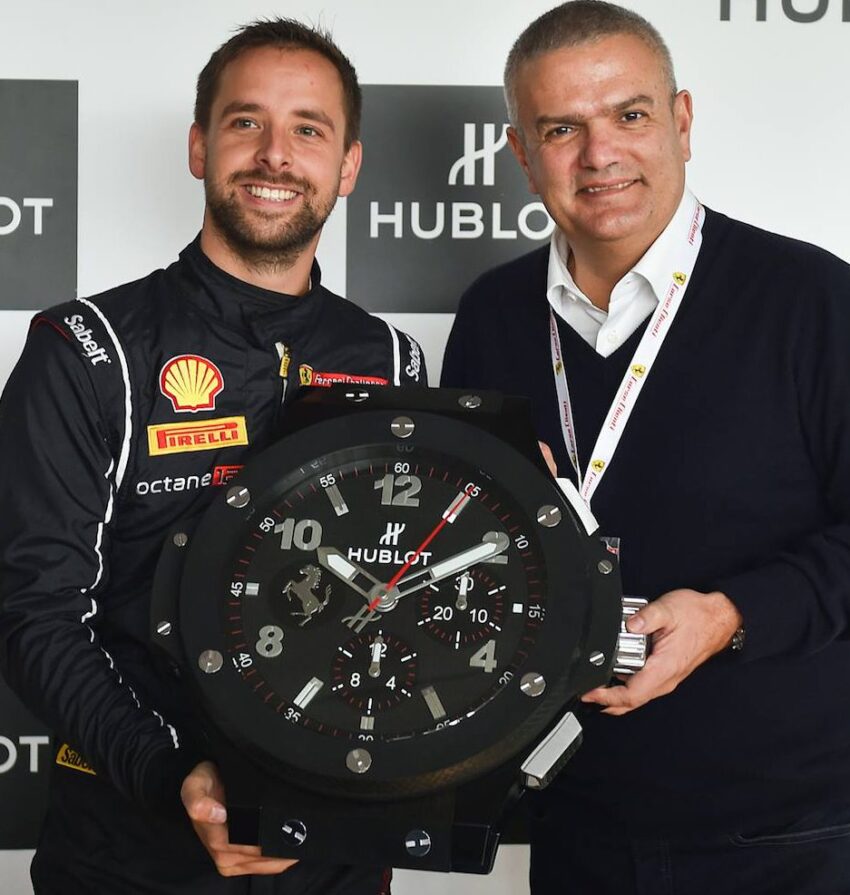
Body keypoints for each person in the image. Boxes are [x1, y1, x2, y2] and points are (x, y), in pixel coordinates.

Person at [0, 18, 424, 895]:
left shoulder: (393, 360)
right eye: (246, 122)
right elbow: (34, 611)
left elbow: (406, 593)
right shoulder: (89, 349)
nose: (276, 154)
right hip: (131, 850)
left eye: (309, 129)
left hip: (337, 858)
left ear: (348, 166)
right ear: (199, 147)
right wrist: (169, 774)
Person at [441, 2, 850, 893]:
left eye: (629, 114)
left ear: (682, 121)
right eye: (562, 129)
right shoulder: (492, 316)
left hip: (786, 836)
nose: (600, 155)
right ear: (522, 155)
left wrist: (730, 614)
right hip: (576, 826)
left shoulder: (813, 298)